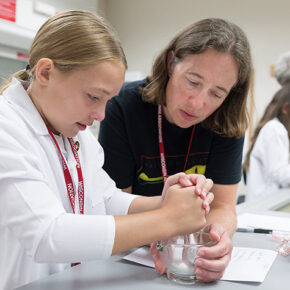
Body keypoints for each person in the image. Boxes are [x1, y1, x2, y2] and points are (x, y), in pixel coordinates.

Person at [0, 11, 215, 290]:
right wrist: (167, 220)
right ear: (45, 72)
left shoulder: (75, 131)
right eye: (93, 97)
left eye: (107, 101)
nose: (101, 115)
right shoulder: (7, 127)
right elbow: (47, 235)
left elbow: (103, 199)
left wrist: (165, 201)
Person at [99, 18, 253, 282]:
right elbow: (114, 206)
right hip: (129, 257)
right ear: (171, 63)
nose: (198, 103)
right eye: (193, 81)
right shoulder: (124, 107)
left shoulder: (226, 121)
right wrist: (165, 228)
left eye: (217, 94)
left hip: (187, 253)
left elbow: (225, 206)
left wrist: (215, 239)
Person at [244, 84, 290, 202]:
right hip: (264, 206)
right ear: (285, 108)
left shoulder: (274, 128)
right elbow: (280, 173)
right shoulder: (275, 129)